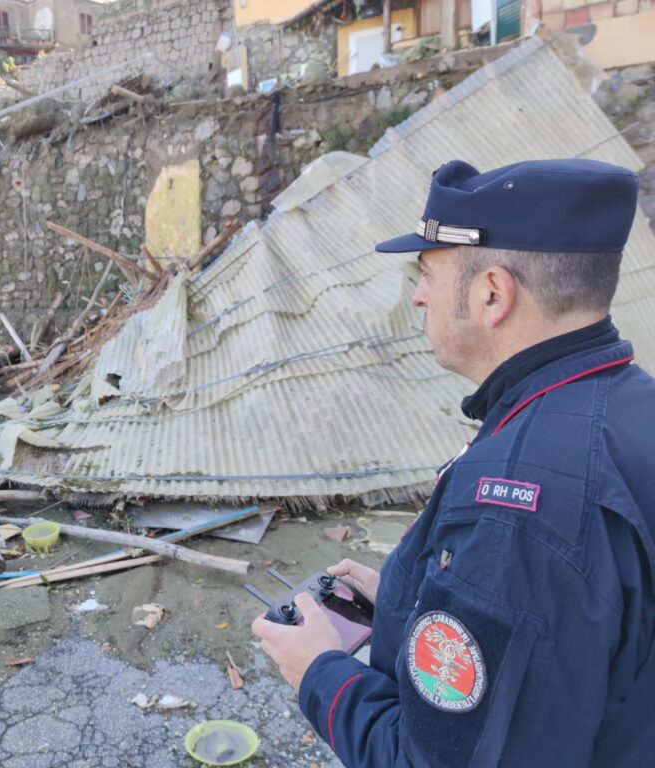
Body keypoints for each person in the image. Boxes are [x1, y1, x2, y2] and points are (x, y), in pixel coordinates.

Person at [251, 158, 655, 767]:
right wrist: (409, 599)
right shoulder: (626, 405)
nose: (417, 296)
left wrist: (319, 672)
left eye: (427, 275)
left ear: (493, 293)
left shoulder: (517, 499)